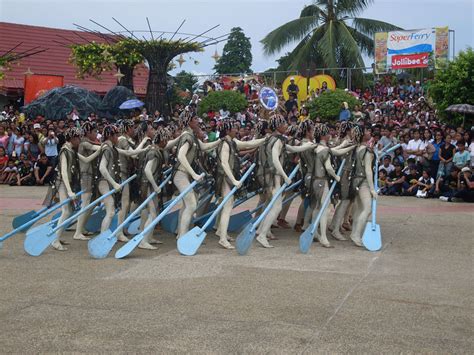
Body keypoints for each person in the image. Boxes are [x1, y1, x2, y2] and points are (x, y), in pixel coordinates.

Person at [214, 121, 266, 249]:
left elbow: (247, 144)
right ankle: (222, 238)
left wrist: (264, 140)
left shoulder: (232, 142)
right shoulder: (225, 144)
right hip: (225, 178)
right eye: (233, 128)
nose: (236, 130)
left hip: (229, 178)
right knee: (227, 206)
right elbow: (224, 164)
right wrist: (234, 181)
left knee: (227, 205)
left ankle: (221, 231)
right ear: (227, 131)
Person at [173, 114, 220, 239]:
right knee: (192, 205)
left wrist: (221, 140)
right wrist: (193, 174)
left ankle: (180, 231)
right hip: (181, 174)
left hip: (185, 175)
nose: (198, 121)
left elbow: (204, 147)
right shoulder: (187, 136)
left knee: (186, 204)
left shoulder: (192, 136)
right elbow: (181, 156)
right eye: (195, 120)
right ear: (189, 122)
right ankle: (182, 235)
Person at [348, 125, 376, 247]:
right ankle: (356, 234)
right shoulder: (366, 150)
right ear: (363, 134)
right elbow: (368, 170)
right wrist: (372, 188)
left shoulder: (357, 148)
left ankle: (354, 233)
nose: (369, 132)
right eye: (367, 130)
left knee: (359, 209)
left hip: (355, 181)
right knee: (367, 208)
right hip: (363, 181)